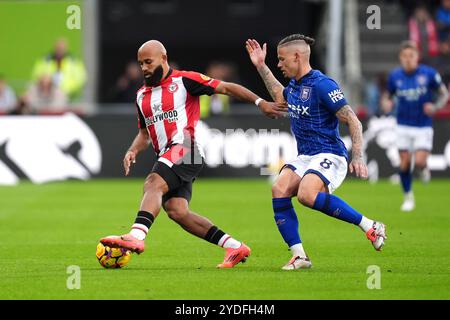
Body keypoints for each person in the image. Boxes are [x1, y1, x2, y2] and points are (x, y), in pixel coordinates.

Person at [100, 40, 286, 268]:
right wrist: (132, 149)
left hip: (185, 149)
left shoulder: (184, 80)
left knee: (152, 183)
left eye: (148, 61)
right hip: (168, 154)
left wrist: (260, 102)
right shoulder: (141, 96)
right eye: (141, 64)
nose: (144, 68)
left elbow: (226, 87)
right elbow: (144, 134)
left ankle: (136, 236)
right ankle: (234, 246)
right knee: (177, 211)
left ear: (163, 58)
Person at [245, 34, 387, 270]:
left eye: (281, 59)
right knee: (279, 189)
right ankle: (300, 256)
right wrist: (261, 66)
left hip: (330, 153)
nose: (278, 64)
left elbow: (352, 119)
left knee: (306, 195)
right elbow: (281, 99)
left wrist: (358, 155)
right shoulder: (296, 85)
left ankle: (370, 226)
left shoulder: (323, 85)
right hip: (306, 156)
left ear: (297, 57)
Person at [381, 40, 449, 212]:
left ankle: (423, 168)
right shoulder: (395, 76)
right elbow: (387, 96)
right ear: (400, 58)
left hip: (423, 125)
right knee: (404, 163)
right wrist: (386, 104)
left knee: (418, 161)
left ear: (417, 57)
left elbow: (444, 94)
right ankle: (408, 197)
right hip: (402, 125)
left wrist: (435, 107)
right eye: (404, 56)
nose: (408, 59)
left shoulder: (429, 74)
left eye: (411, 56)